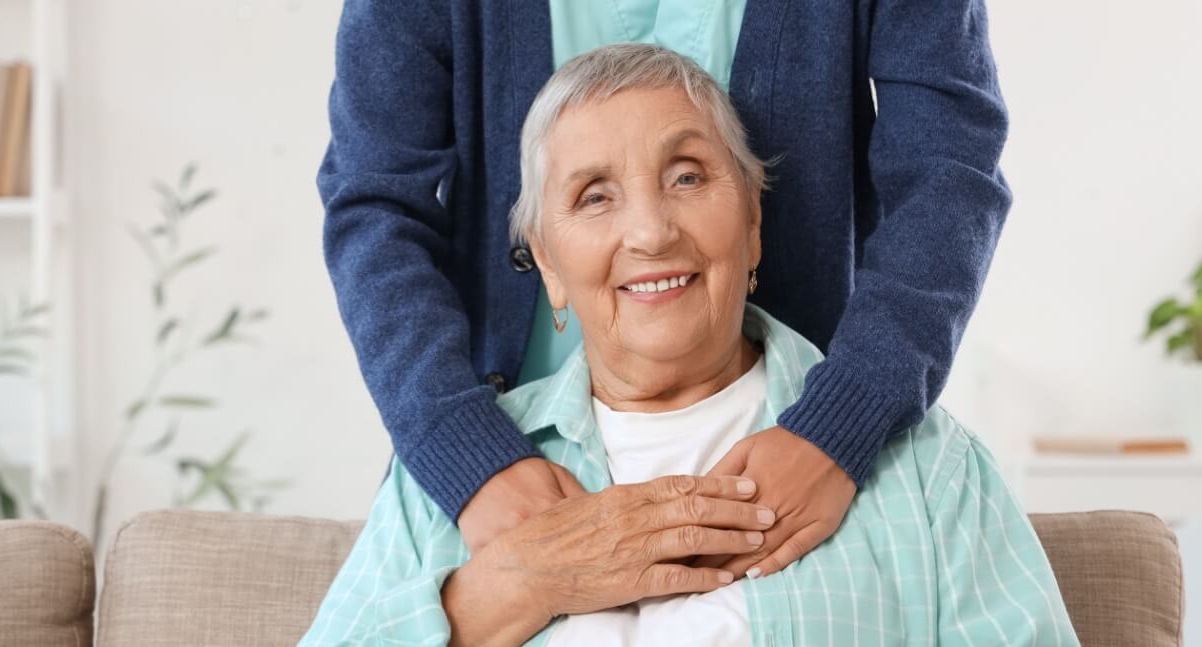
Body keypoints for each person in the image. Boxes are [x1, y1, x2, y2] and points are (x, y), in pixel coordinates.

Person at [244, 44, 1091, 647]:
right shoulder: (455, 480)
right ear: (549, 268)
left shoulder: (922, 463)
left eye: (688, 177)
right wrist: (513, 584)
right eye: (594, 196)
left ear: (755, 223)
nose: (649, 230)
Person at [318, 0, 1013, 581]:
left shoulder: (940, 479)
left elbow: (949, 172)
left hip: (797, 446)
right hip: (514, 463)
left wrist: (842, 426)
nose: (650, 233)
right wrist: (464, 452)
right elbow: (377, 203)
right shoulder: (434, 501)